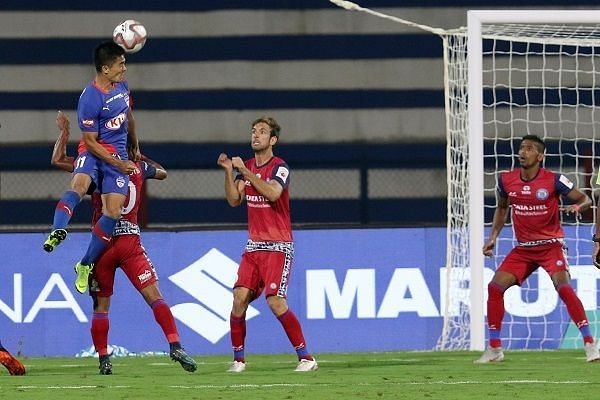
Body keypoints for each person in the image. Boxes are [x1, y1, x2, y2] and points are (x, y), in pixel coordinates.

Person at [52, 111, 197, 375]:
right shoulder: (138, 167)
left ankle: (104, 360)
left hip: (103, 243)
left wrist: (64, 134)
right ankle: (175, 345)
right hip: (130, 241)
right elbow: (163, 173)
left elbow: (58, 160)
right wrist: (140, 155)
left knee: (101, 307)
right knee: (154, 296)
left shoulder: (96, 167)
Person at [475, 134, 599, 363]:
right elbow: (502, 209)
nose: (523, 152)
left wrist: (577, 206)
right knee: (494, 288)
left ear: (540, 156)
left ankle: (590, 343)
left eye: (529, 148)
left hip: (551, 246)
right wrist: (492, 237)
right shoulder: (506, 180)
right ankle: (494, 349)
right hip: (523, 249)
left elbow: (586, 199)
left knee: (562, 287)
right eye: (521, 148)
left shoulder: (554, 180)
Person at [217, 117, 318, 373]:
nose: (256, 135)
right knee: (239, 298)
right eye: (253, 131)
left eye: (262, 132)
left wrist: (247, 172)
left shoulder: (280, 167)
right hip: (254, 247)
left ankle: (306, 358)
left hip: (278, 246)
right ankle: (238, 360)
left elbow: (273, 193)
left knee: (275, 301)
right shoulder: (246, 167)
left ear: (273, 140)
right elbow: (233, 200)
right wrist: (230, 172)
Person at [43, 41, 139, 296]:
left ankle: (84, 264)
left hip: (118, 154)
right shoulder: (90, 98)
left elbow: (128, 118)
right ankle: (57, 230)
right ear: (105, 69)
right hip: (95, 152)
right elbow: (90, 142)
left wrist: (134, 145)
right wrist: (118, 163)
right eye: (121, 64)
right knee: (79, 183)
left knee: (114, 211)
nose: (125, 69)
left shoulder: (122, 88)